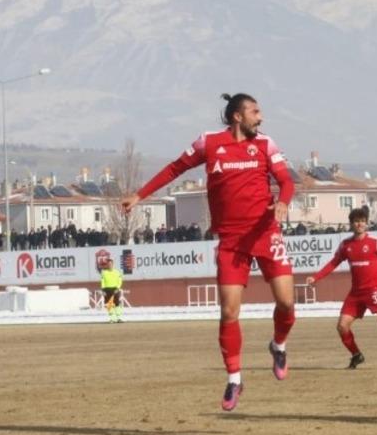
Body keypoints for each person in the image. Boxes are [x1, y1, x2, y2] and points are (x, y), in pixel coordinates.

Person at [122, 93, 295, 411]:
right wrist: (140, 195)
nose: (262, 117)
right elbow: (175, 169)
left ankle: (278, 344)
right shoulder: (210, 143)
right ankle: (234, 380)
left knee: (286, 302)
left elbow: (286, 180)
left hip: (265, 233)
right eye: (256, 111)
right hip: (231, 240)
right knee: (229, 312)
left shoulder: (266, 144)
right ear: (238, 117)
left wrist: (283, 201)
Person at [307, 206, 377, 370]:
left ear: (366, 224)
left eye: (362, 221)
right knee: (342, 326)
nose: (359, 224)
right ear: (351, 224)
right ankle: (356, 355)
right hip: (356, 293)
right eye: (356, 222)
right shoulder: (345, 245)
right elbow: (333, 263)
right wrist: (316, 277)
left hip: (374, 290)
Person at [100, 257, 124, 324]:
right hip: (107, 289)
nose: (110, 265)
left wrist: (118, 288)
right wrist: (103, 290)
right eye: (108, 264)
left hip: (115, 289)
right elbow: (102, 282)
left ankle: (118, 318)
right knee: (109, 304)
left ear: (113, 264)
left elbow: (120, 281)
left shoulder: (117, 272)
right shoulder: (104, 272)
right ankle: (112, 319)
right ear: (107, 265)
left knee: (117, 304)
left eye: (111, 264)